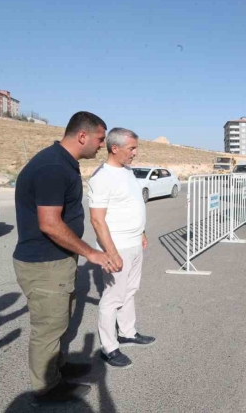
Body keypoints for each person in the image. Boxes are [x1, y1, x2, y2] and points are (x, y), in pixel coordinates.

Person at [13, 111, 115, 405]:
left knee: (60, 320)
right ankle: (46, 388)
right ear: (82, 136)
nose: (101, 146)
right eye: (99, 139)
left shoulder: (62, 163)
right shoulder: (53, 166)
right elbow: (49, 223)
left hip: (57, 261)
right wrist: (91, 252)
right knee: (48, 328)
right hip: (44, 264)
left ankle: (58, 368)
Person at [88, 128, 156, 369]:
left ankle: (127, 332)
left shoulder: (126, 172)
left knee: (130, 290)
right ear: (114, 148)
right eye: (132, 148)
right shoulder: (101, 177)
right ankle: (109, 347)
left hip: (134, 242)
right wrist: (111, 252)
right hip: (116, 247)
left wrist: (142, 232)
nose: (135, 153)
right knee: (113, 297)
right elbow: (97, 220)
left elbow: (133, 203)